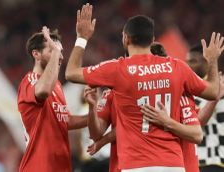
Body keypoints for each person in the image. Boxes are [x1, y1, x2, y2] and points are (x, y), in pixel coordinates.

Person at [65, 3, 224, 172]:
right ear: (153, 40)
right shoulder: (177, 67)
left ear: (125, 38)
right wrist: (213, 61)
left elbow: (71, 73)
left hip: (136, 165)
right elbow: (213, 91)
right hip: (173, 165)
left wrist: (82, 37)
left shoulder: (118, 69)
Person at [84, 43, 202, 172]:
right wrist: (92, 108)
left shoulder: (181, 94)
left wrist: (103, 141)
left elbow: (196, 134)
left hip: (171, 164)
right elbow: (97, 133)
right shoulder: (112, 93)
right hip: (129, 164)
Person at [17, 26, 89, 172]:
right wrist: (56, 52)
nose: (61, 56)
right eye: (53, 50)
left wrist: (98, 116)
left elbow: (64, 120)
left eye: (60, 51)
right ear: (36, 54)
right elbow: (43, 91)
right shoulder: (30, 81)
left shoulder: (56, 85)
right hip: (39, 167)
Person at [186, 44, 224, 172]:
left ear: (206, 63)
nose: (188, 66)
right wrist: (215, 97)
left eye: (193, 61)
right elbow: (197, 122)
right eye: (187, 62)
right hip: (203, 162)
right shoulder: (188, 92)